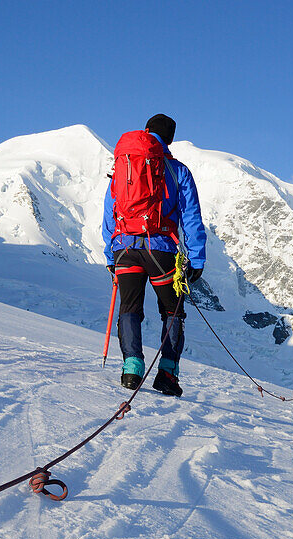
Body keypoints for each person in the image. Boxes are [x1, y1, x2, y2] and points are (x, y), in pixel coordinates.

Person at [102, 114, 207, 397]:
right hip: (160, 250)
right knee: (173, 312)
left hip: (125, 248)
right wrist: (196, 259)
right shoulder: (177, 170)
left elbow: (109, 212)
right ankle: (167, 375)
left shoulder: (123, 166)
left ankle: (132, 370)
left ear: (147, 131)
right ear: (170, 139)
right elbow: (191, 218)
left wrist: (110, 255)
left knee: (130, 308)